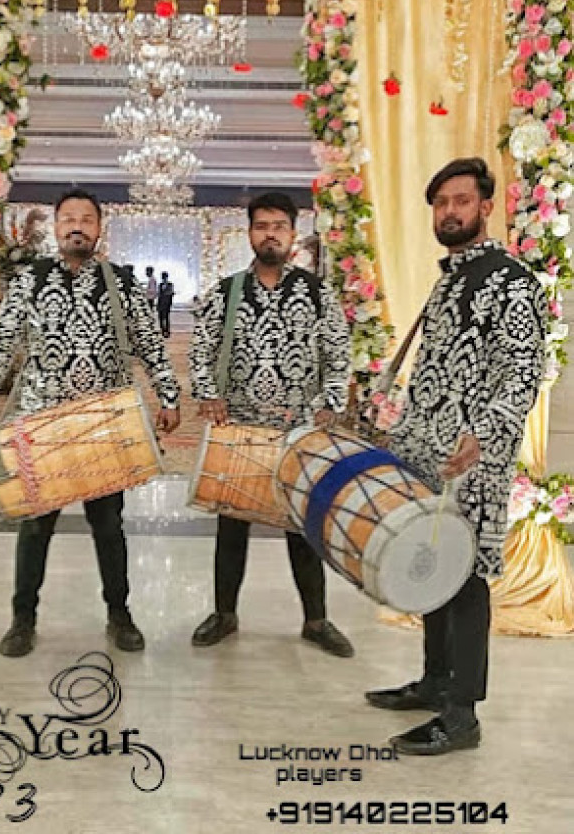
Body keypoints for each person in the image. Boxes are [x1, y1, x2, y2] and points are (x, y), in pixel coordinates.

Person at [365, 157, 546, 755]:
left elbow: (523, 372)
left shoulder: (511, 281)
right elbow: (432, 373)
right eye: (441, 203)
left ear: (485, 207)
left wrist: (484, 434)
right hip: (428, 454)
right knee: (432, 567)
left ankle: (462, 714)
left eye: (461, 201)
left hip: (474, 460)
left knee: (465, 579)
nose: (450, 212)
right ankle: (434, 681)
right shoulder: (448, 280)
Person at [0, 188, 181, 658]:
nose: (76, 226)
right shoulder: (29, 280)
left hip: (104, 425)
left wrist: (168, 394)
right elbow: (1, 339)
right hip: (41, 423)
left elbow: (148, 342)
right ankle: (23, 618)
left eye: (86, 219)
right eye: (68, 220)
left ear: (99, 229)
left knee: (109, 525)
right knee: (36, 526)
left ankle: (119, 614)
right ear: (57, 230)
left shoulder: (121, 283)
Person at [189, 190, 354, 658]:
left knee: (302, 529)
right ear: (250, 234)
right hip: (239, 430)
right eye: (262, 226)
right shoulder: (225, 293)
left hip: (298, 430)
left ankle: (316, 620)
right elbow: (201, 352)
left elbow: (338, 356)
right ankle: (224, 613)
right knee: (232, 528)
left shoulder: (318, 293)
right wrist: (209, 393)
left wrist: (329, 402)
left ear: (293, 235)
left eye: (279, 227)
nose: (270, 234)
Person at [157, 271, 175, 338]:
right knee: (161, 318)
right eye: (163, 277)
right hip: (160, 303)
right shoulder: (160, 285)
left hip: (167, 304)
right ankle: (162, 331)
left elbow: (171, 293)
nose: (164, 279)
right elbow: (159, 295)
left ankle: (167, 331)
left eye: (164, 277)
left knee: (166, 318)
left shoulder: (170, 285)